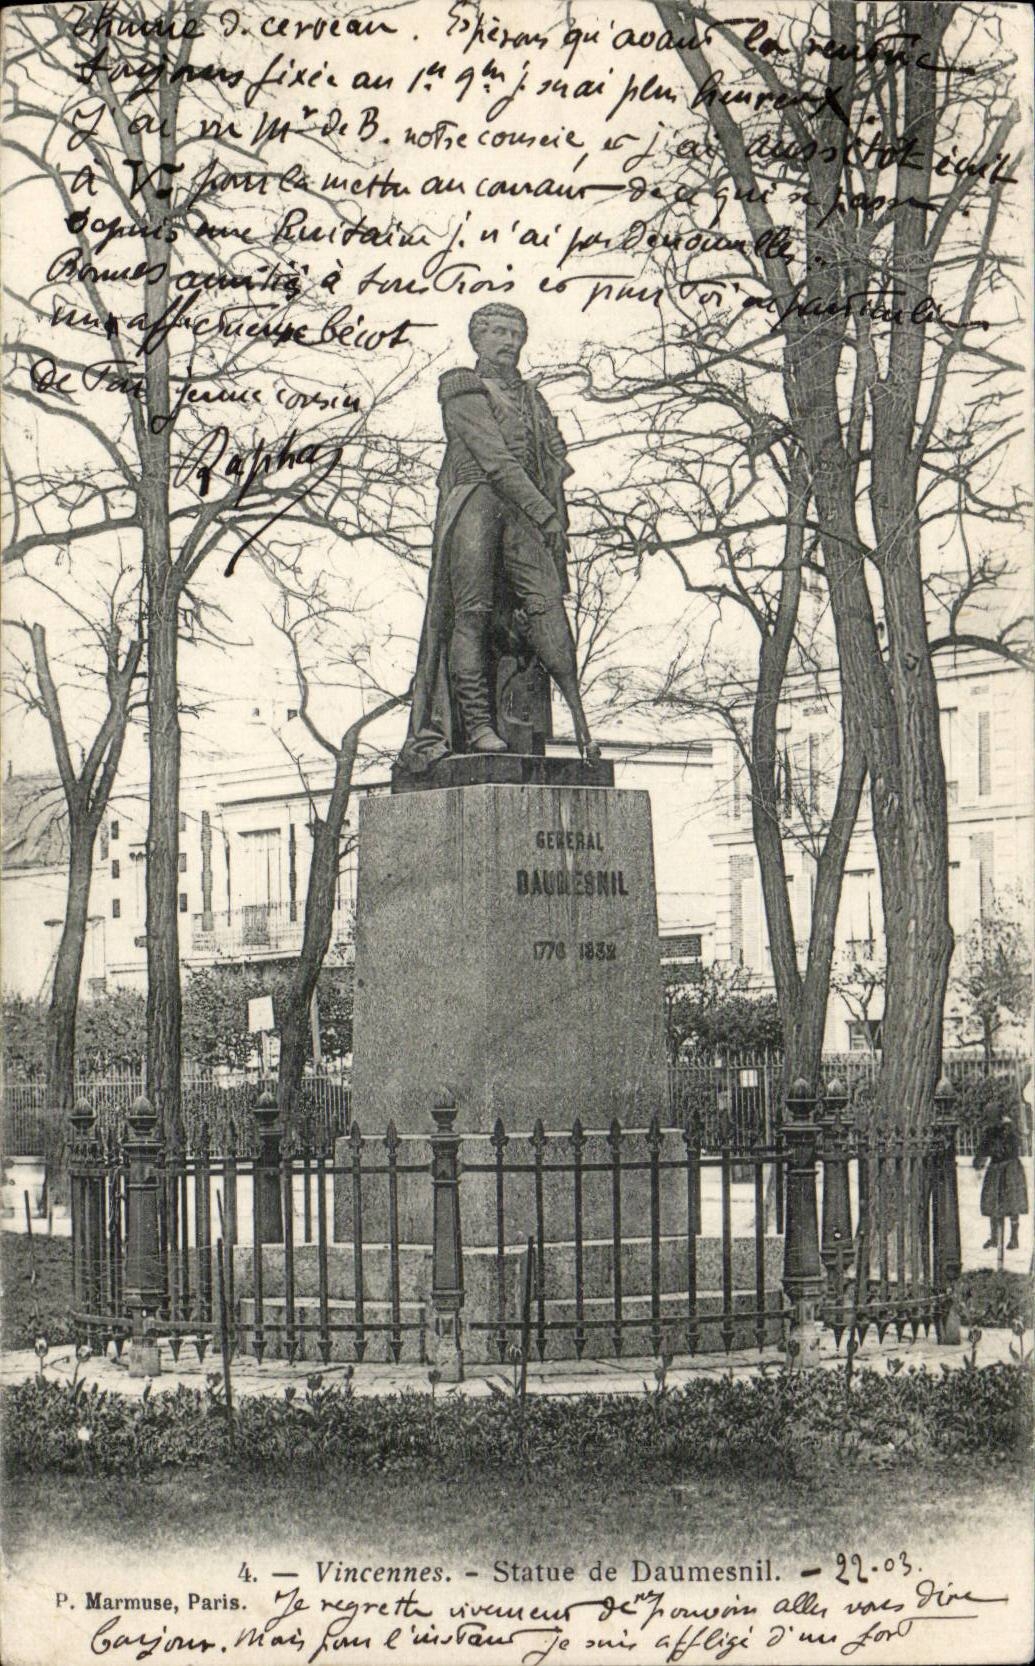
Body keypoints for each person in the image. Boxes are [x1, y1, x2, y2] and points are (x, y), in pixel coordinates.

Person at [398, 303, 599, 772]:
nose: (510, 341)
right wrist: (544, 513)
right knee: (472, 612)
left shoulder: (533, 398)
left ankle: (581, 722)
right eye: (500, 332)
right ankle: (478, 724)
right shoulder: (461, 387)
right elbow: (496, 460)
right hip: (476, 504)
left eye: (517, 333)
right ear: (478, 339)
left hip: (523, 512)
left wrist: (547, 515)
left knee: (547, 604)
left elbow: (546, 464)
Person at [972, 1108, 1029, 1250]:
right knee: (992, 1201)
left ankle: (1014, 1238)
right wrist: (978, 1164)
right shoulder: (990, 1131)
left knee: (1012, 1202)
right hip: (996, 1168)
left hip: (1011, 1168)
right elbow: (983, 1149)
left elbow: (1008, 1148)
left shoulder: (1010, 1130)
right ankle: (994, 1238)